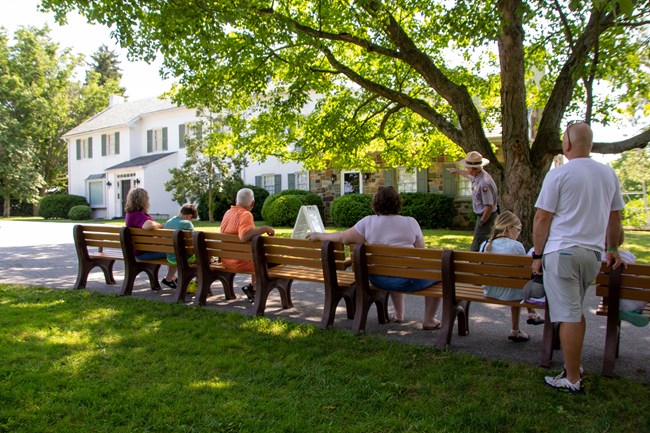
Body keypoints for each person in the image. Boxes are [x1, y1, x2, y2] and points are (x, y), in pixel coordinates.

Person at [532, 120, 625, 393]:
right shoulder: (608, 174)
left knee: (570, 314)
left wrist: (537, 254)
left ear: (567, 144)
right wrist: (611, 250)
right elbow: (615, 217)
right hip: (592, 256)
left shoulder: (558, 174)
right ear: (591, 144)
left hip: (562, 253)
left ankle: (572, 379)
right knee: (575, 311)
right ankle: (575, 366)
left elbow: (542, 217)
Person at [307, 186, 441, 330]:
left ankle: (399, 314)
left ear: (376, 203)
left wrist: (318, 235)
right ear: (397, 203)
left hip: (378, 279)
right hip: (406, 281)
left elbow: (343, 238)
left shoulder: (367, 222)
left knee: (394, 269)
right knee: (437, 273)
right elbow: (422, 253)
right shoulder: (411, 222)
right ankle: (429, 319)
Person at [480, 211, 543, 343]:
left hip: (489, 291)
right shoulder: (516, 246)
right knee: (520, 283)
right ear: (509, 228)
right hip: (511, 294)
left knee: (515, 283)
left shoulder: (485, 245)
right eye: (518, 230)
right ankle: (521, 324)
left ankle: (530, 316)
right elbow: (526, 274)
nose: (518, 233)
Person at [220, 188, 275, 302]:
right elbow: (244, 236)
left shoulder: (228, 213)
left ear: (236, 200)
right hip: (240, 262)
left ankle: (254, 288)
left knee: (256, 257)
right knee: (271, 261)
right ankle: (255, 289)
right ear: (253, 203)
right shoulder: (246, 214)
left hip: (226, 260)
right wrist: (265, 228)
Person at [125, 187, 178, 289]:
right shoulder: (137, 215)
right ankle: (169, 279)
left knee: (170, 248)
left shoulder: (131, 214)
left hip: (141, 251)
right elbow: (147, 225)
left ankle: (173, 278)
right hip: (144, 253)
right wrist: (160, 225)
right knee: (177, 251)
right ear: (143, 200)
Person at [448, 151, 499, 251]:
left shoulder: (484, 182)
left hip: (486, 217)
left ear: (473, 168)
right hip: (484, 216)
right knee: (482, 245)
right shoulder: (477, 175)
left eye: (467, 167)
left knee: (477, 246)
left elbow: (489, 206)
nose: (466, 169)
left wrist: (482, 222)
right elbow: (468, 175)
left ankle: (474, 265)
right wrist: (457, 171)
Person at [601, 228, 648, 327]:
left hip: (613, 301)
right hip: (638, 300)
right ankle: (635, 311)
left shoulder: (601, 258)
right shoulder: (628, 255)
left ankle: (625, 311)